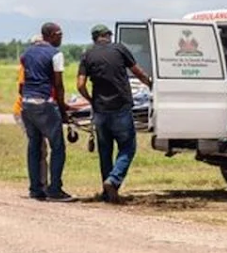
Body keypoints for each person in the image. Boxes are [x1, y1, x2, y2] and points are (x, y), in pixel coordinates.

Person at [76, 24, 152, 203]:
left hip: (100, 111)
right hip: (121, 109)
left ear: (94, 38)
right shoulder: (119, 49)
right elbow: (137, 72)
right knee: (128, 147)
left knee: (105, 151)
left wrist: (91, 100)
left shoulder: (87, 55)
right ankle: (113, 180)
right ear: (107, 35)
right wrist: (150, 84)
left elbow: (80, 85)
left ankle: (107, 192)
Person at [20, 22, 74, 202]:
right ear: (50, 35)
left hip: (27, 104)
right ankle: (55, 189)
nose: (61, 37)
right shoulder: (55, 54)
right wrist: (63, 110)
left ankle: (35, 189)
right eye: (59, 34)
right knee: (57, 147)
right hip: (44, 104)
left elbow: (23, 81)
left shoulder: (27, 53)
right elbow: (58, 85)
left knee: (34, 146)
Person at [13, 34, 49, 188]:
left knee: (40, 147)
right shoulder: (27, 65)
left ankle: (40, 184)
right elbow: (22, 88)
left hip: (32, 107)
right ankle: (39, 185)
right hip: (25, 109)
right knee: (38, 146)